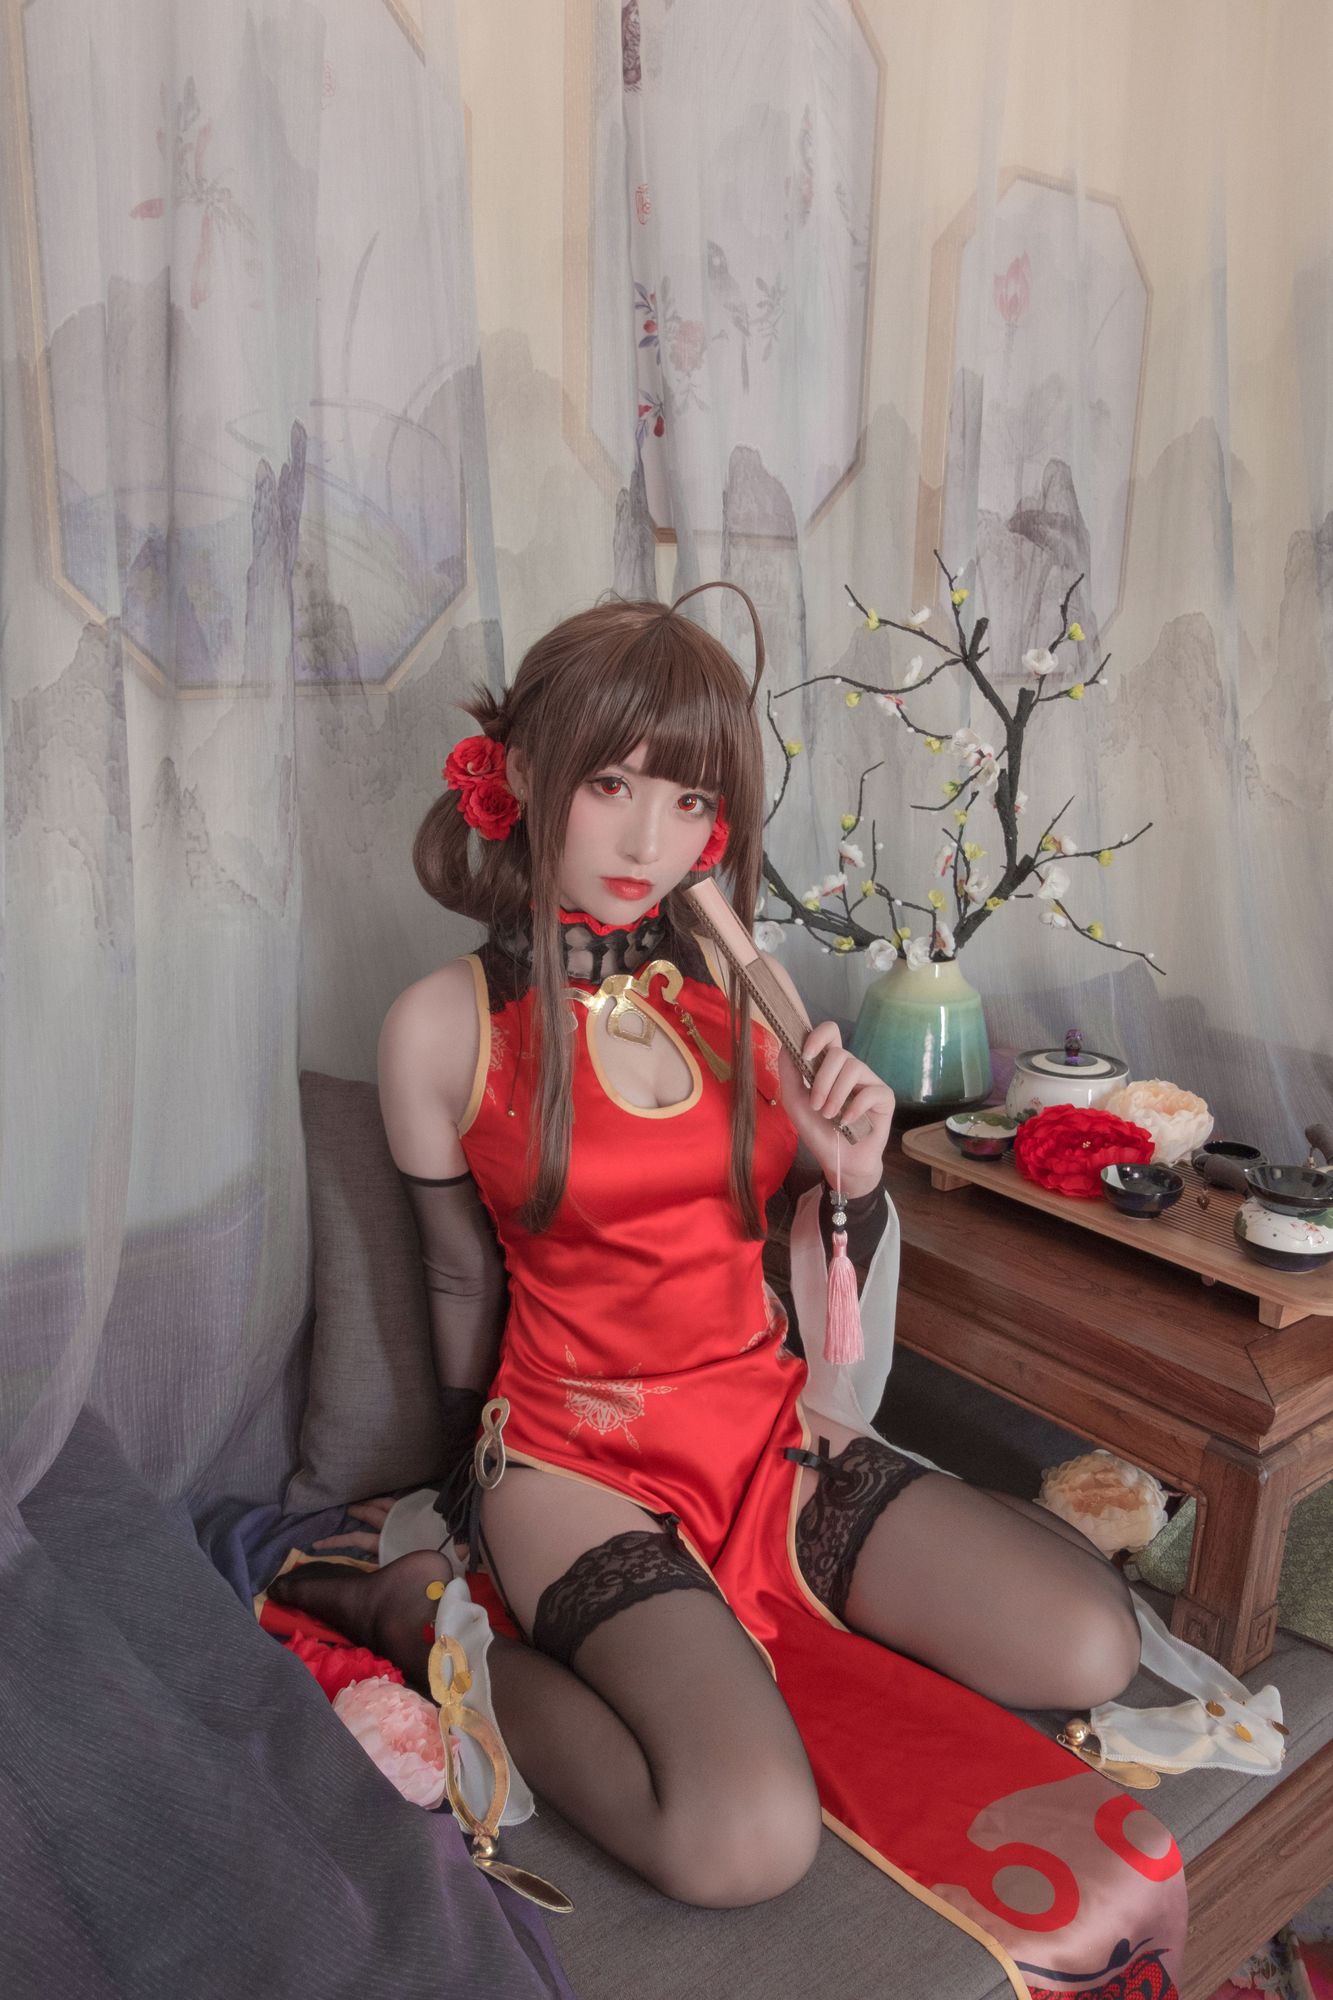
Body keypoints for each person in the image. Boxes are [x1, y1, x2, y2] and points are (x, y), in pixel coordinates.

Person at [273, 586, 1186, 1996]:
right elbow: (456, 1269)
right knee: (740, 1842)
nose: (650, 842)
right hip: (576, 1459)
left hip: (762, 1426)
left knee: (1089, 1644)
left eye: (691, 800)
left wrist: (853, 1169)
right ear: (524, 774)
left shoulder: (734, 997)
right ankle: (417, 1614)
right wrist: (464, 1479)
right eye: (611, 784)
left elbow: (815, 1263)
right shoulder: (441, 1025)